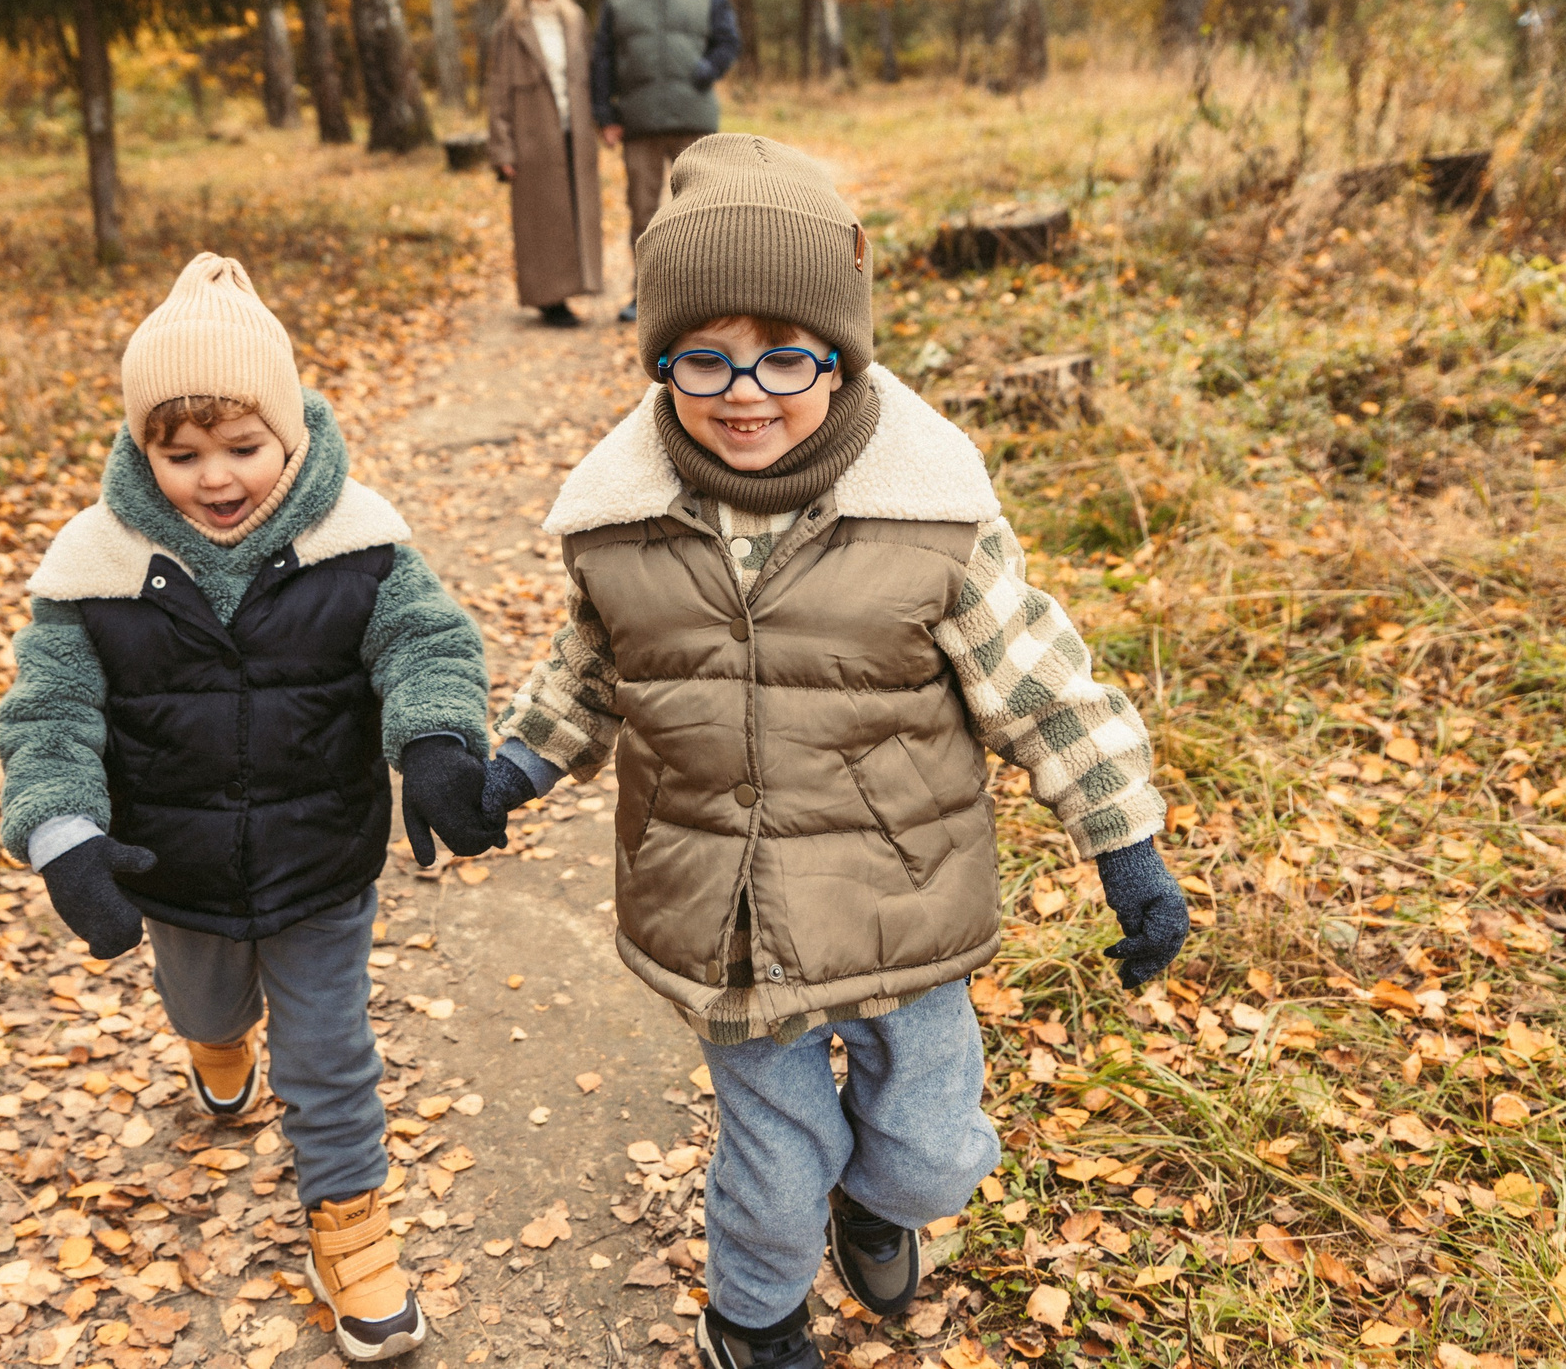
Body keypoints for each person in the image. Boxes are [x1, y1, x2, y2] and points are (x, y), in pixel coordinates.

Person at [472, 137, 1193, 1369]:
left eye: (784, 355)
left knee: (927, 1144)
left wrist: (1123, 842)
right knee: (771, 1150)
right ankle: (751, 1323)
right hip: (728, 912)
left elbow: (1042, 686)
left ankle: (880, 1203)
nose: (743, 390)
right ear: (659, 363)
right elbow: (590, 670)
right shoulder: (625, 525)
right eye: (702, 357)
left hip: (902, 895)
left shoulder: (929, 516)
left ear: (841, 353)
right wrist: (516, 767)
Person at [0, 253, 504, 1363]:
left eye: (242, 446)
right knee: (210, 1004)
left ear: (292, 434)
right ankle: (214, 1046)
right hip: (171, 871)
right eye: (180, 454)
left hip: (320, 861)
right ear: (143, 449)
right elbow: (49, 712)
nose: (214, 477)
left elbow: (429, 644)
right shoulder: (96, 569)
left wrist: (430, 740)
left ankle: (351, 1231)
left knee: (327, 1052)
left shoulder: (357, 549)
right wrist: (64, 836)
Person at [592, 0, 741, 322]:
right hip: (638, 122)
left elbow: (728, 42)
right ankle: (645, 295)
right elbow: (601, 60)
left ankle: (704, 295)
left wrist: (705, 70)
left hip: (693, 118)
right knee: (643, 212)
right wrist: (605, 115)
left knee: (701, 206)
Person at [488, 0, 605, 328]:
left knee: (575, 212)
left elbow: (591, 76)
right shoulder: (511, 28)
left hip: (576, 133)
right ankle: (549, 298)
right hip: (533, 136)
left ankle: (578, 284)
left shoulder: (574, 19)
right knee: (542, 220)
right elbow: (498, 90)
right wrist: (503, 149)